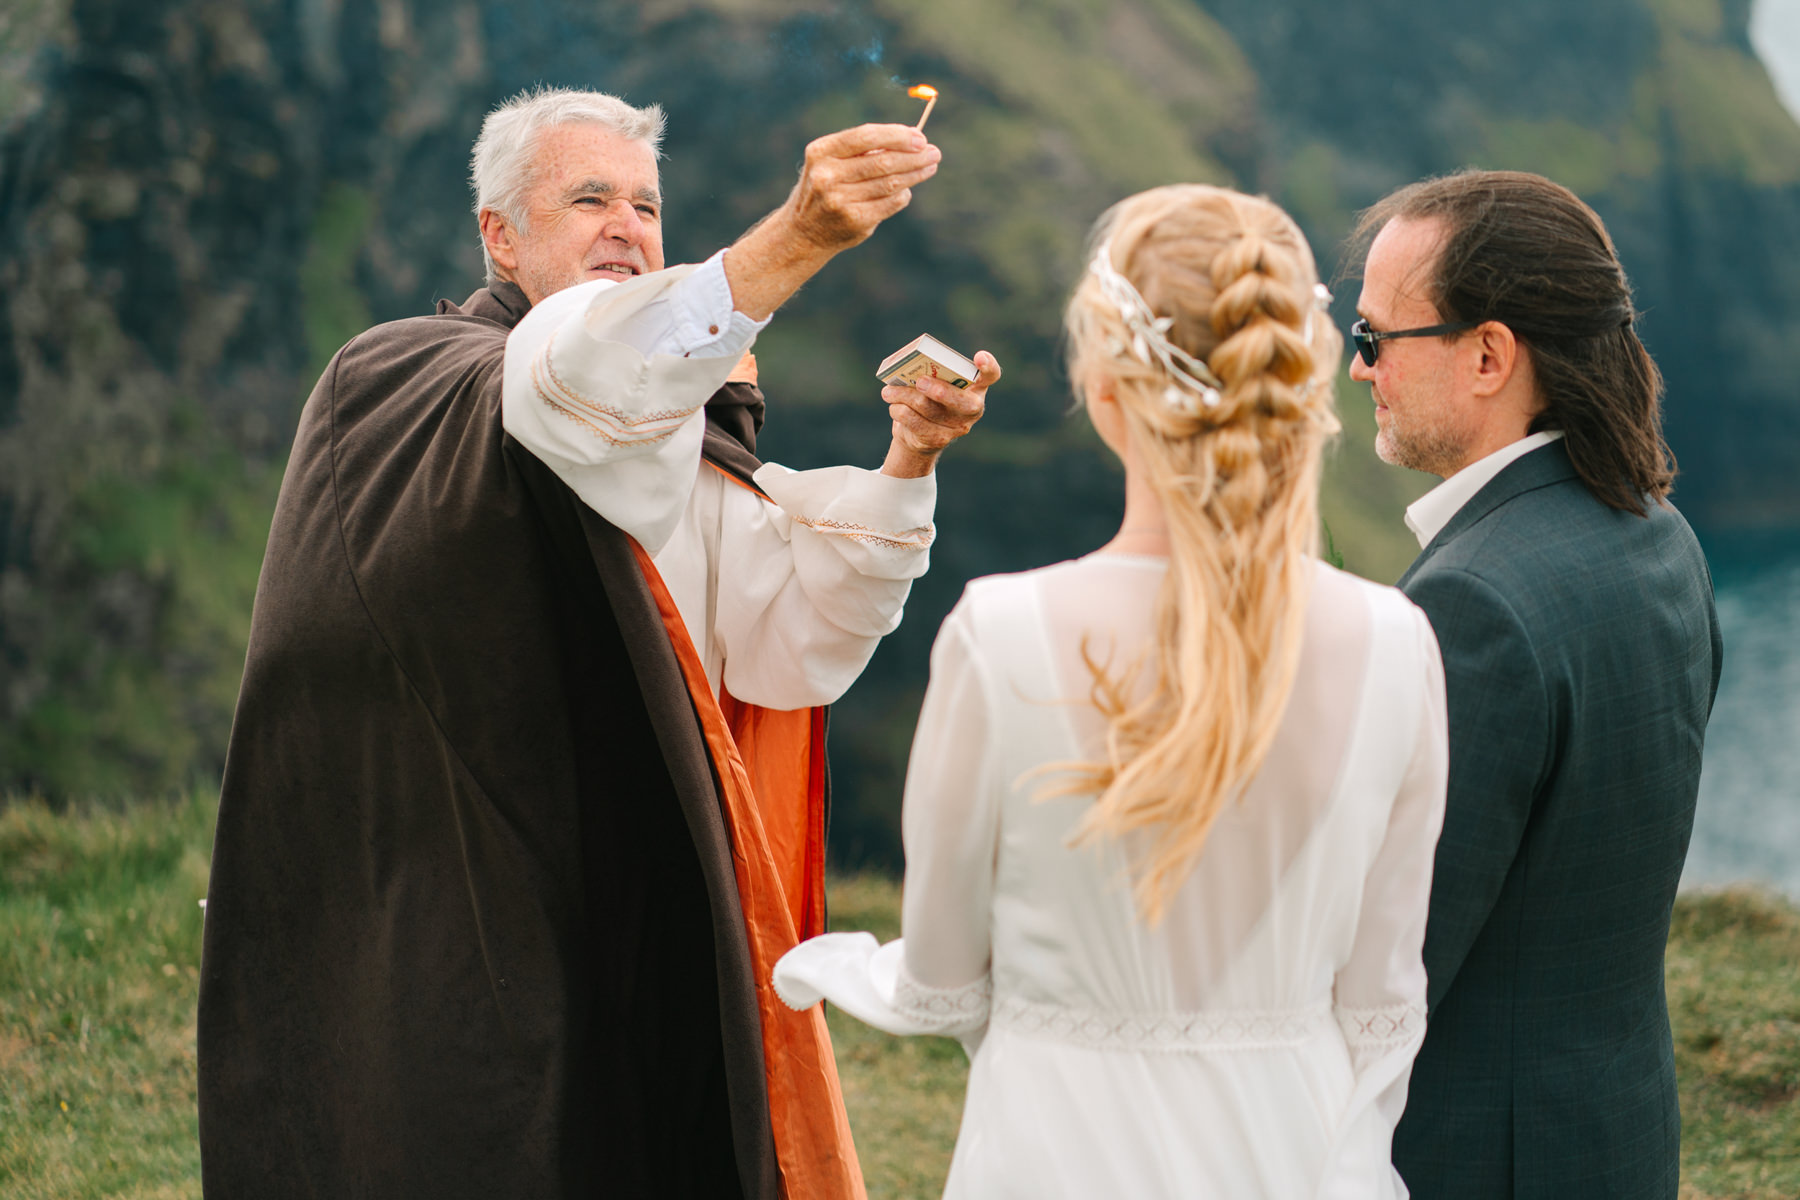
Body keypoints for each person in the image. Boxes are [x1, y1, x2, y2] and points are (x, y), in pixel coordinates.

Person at [197, 87, 997, 1200]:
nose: (628, 224)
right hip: (452, 911)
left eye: (647, 205)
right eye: (590, 198)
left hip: (635, 904)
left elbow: (786, 638)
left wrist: (910, 457)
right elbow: (576, 377)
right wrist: (795, 241)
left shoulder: (662, 422)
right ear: (500, 236)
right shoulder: (404, 380)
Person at [775, 184, 1449, 1198]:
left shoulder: (999, 636)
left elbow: (944, 986)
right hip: (1298, 1151)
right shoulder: (1398, 643)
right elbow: (1383, 1003)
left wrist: (830, 963)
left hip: (1058, 1152)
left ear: (1102, 391)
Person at [1346, 170, 1723, 1199]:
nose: (1358, 368)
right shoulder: (1658, 534)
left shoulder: (1470, 604)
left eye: (1376, 337)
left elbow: (1390, 965)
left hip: (1474, 1160)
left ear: (1488, 354)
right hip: (1614, 1132)